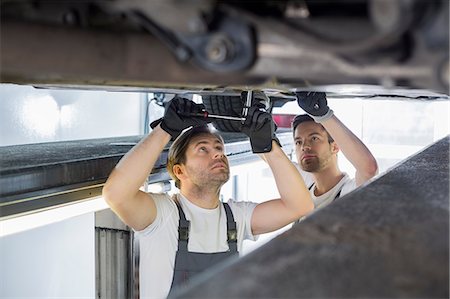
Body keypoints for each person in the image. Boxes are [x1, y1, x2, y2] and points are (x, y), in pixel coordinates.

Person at [102, 96, 314, 298]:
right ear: (179, 171)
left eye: (219, 148)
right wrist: (165, 130)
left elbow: (300, 206)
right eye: (202, 149)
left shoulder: (236, 217)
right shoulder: (163, 215)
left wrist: (268, 147)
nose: (217, 154)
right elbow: (116, 194)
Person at [293, 91, 378, 220]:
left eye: (314, 138)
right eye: (298, 142)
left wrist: (324, 116)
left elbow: (368, 169)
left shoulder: (349, 192)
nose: (304, 146)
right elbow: (271, 157)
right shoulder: (305, 183)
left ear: (335, 146)